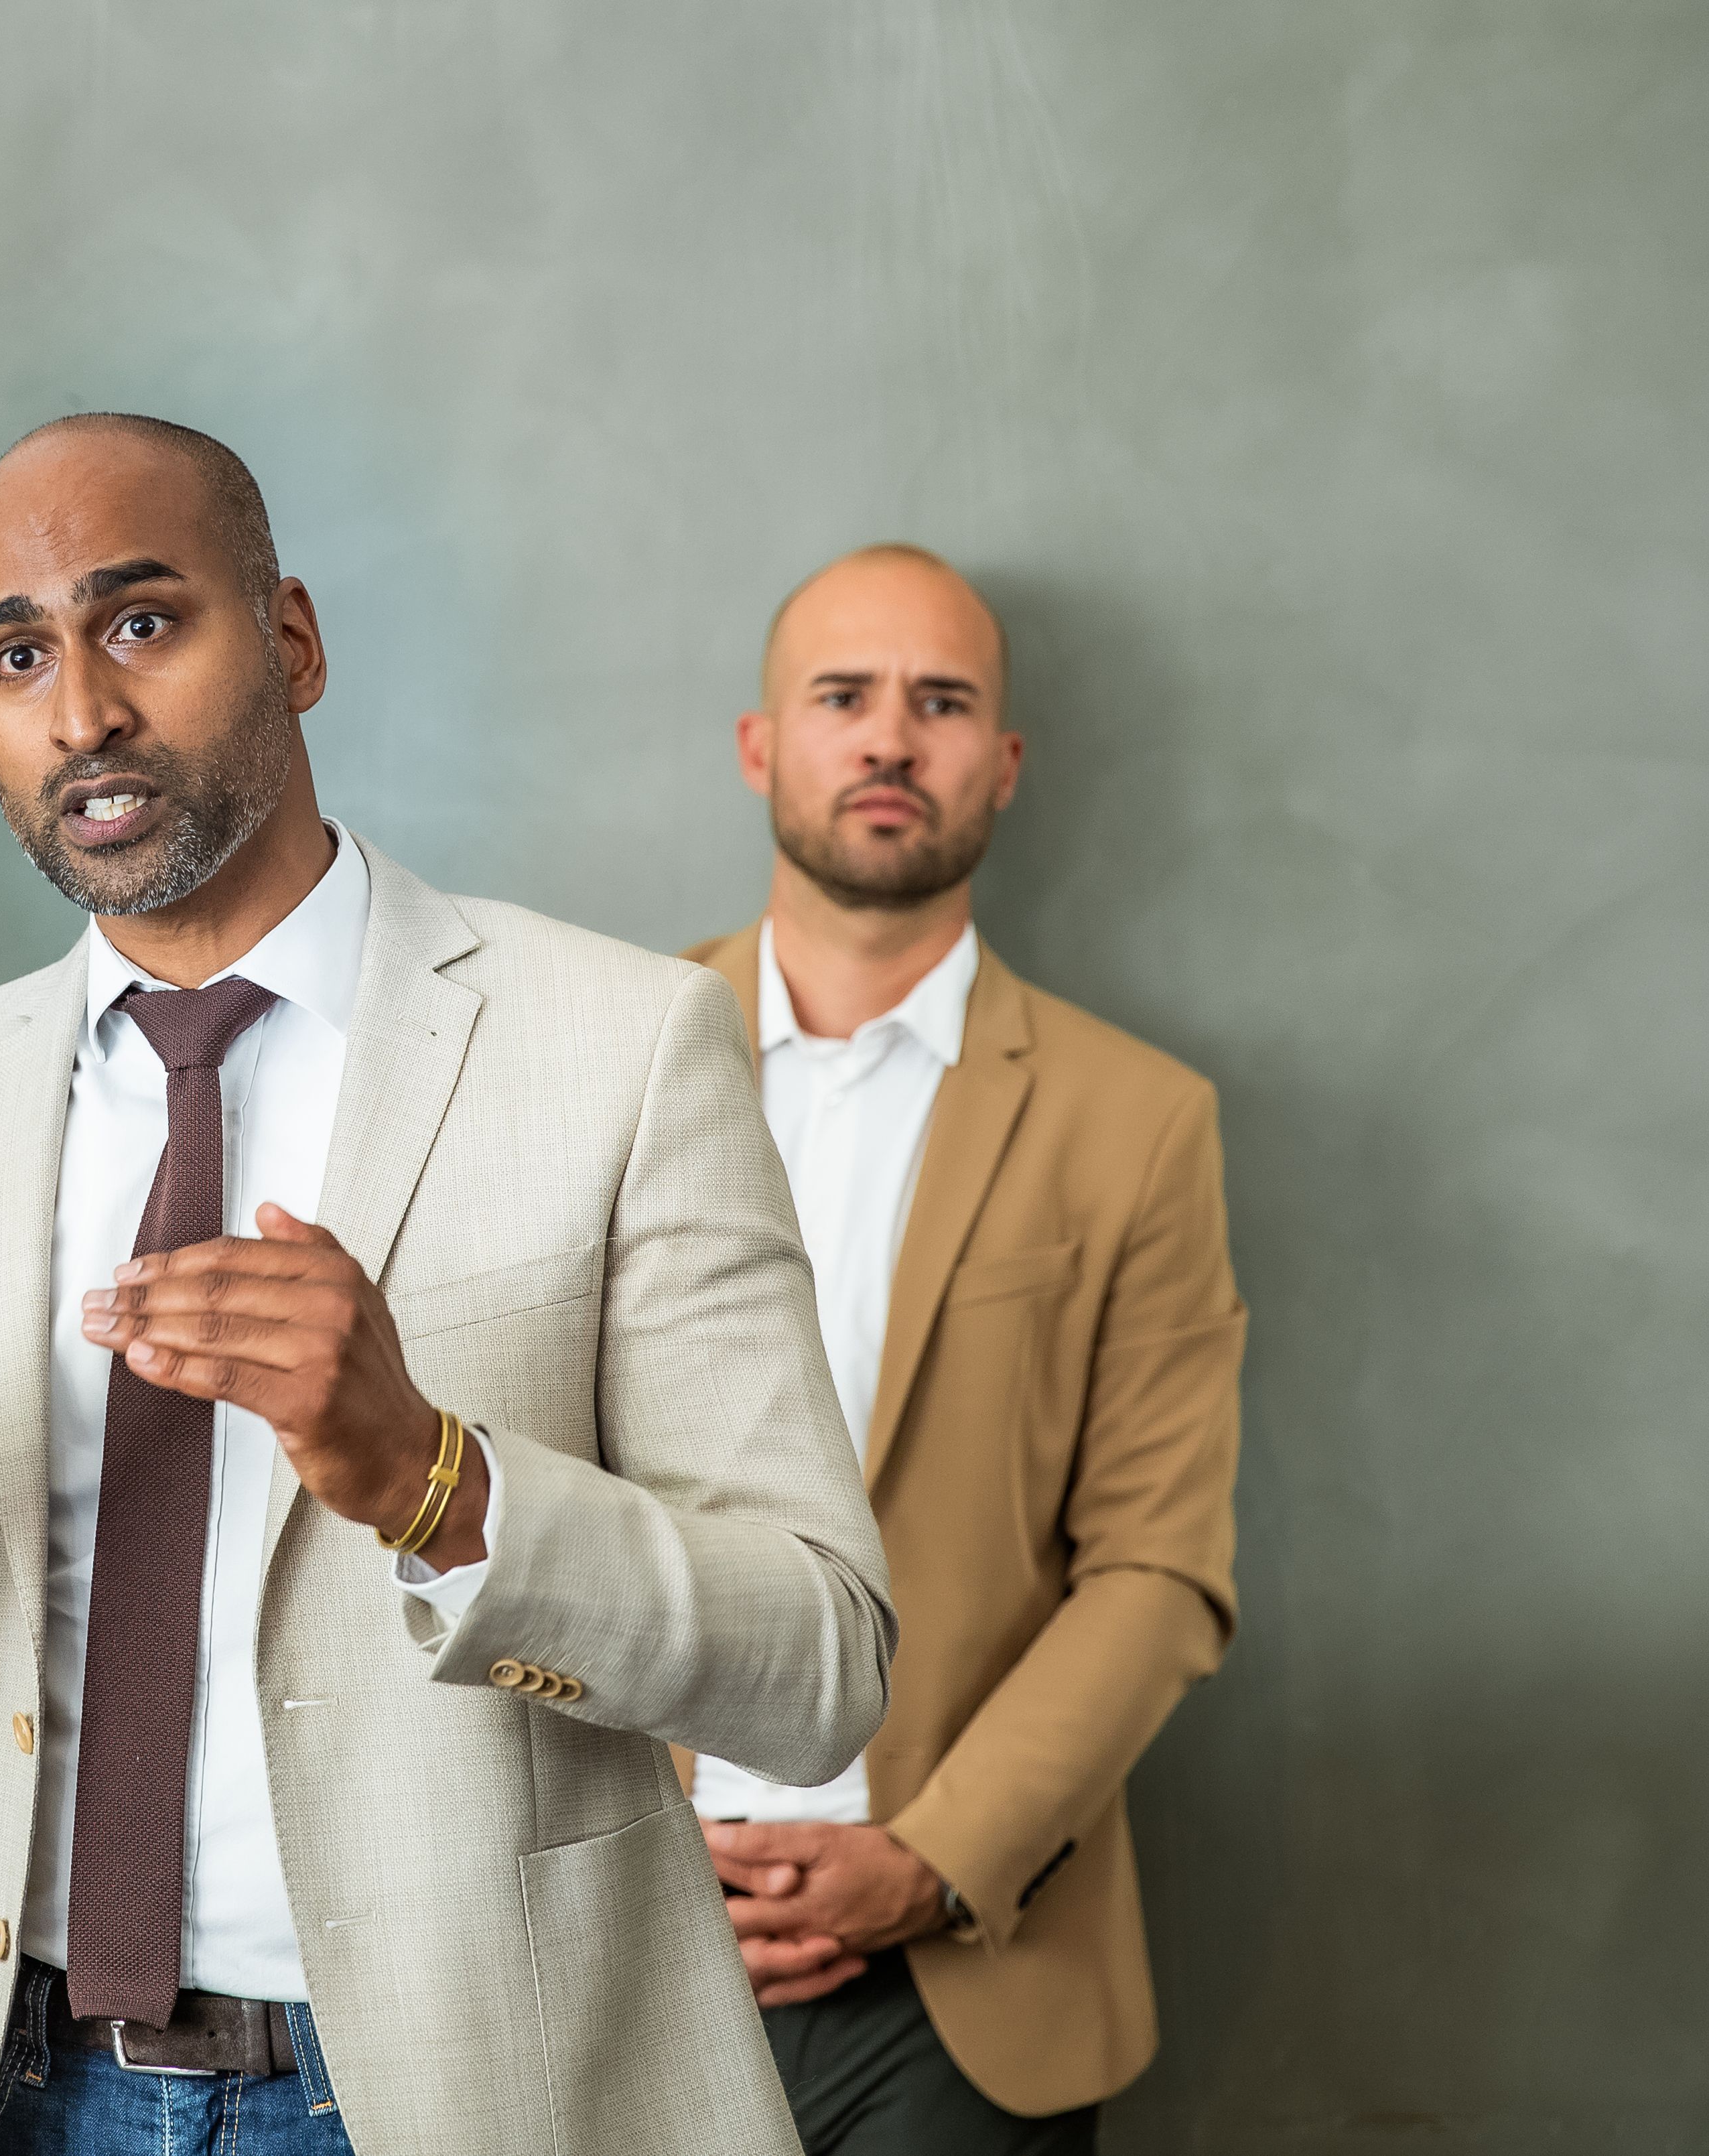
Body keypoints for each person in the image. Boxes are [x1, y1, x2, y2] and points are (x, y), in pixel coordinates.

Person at [0, 413, 895, 2156]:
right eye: (16, 655)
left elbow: (818, 1665)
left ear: (291, 639)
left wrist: (435, 1482)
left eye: (139, 621)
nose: (81, 711)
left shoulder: (619, 1048)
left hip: (450, 2098)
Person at [682, 545, 1245, 2152]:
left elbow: (1156, 1564)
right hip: (627, 1932)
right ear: (759, 745)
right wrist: (647, 1837)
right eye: (841, 696)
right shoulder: (592, 1059)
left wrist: (928, 1860)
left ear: (998, 763)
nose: (887, 738)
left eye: (938, 704)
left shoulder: (1137, 1121)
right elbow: (496, 1490)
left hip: (967, 1983)